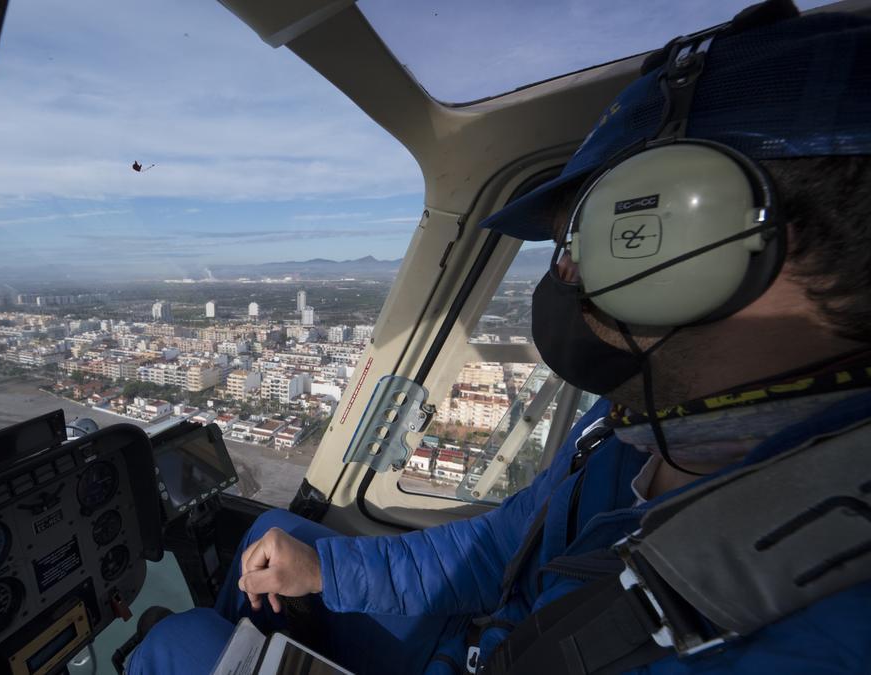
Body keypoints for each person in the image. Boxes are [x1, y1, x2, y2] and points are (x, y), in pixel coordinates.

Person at [130, 5, 871, 674]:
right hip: (484, 638)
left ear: (695, 237)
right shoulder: (631, 430)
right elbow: (494, 549)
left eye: (581, 243)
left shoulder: (825, 625)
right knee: (271, 535)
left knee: (178, 642)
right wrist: (327, 574)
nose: (564, 282)